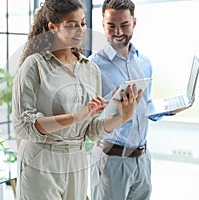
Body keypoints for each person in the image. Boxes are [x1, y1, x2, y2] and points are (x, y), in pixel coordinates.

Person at [12, 0, 143, 199]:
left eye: (82, 23)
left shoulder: (90, 69)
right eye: (71, 24)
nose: (80, 30)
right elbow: (24, 126)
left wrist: (122, 116)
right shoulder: (35, 65)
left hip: (78, 160)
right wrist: (75, 117)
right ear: (53, 27)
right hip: (41, 160)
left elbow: (91, 131)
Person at [89, 0, 193, 200]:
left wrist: (169, 109)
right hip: (111, 160)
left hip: (142, 158)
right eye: (111, 25)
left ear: (134, 23)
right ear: (103, 25)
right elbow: (90, 118)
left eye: (124, 24)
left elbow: (144, 107)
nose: (118, 31)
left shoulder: (143, 62)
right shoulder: (93, 66)